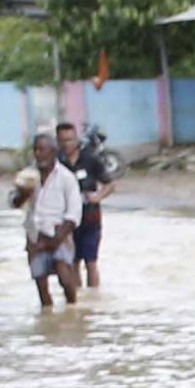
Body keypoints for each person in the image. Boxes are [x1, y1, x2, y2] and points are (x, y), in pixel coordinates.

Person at [18, 141, 84, 308]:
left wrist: (57, 239)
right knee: (41, 284)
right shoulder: (27, 176)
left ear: (53, 151)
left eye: (43, 149)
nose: (39, 154)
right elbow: (13, 202)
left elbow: (74, 213)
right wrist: (24, 195)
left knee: (65, 276)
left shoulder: (67, 177)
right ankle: (47, 321)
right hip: (36, 235)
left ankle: (72, 309)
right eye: (36, 150)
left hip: (60, 233)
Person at [63, 118, 118, 293]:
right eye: (62, 141)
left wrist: (98, 196)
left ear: (76, 139)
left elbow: (110, 184)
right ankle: (78, 301)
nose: (66, 144)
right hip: (67, 220)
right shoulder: (56, 163)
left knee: (91, 261)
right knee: (72, 262)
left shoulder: (90, 159)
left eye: (70, 140)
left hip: (90, 218)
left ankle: (94, 298)